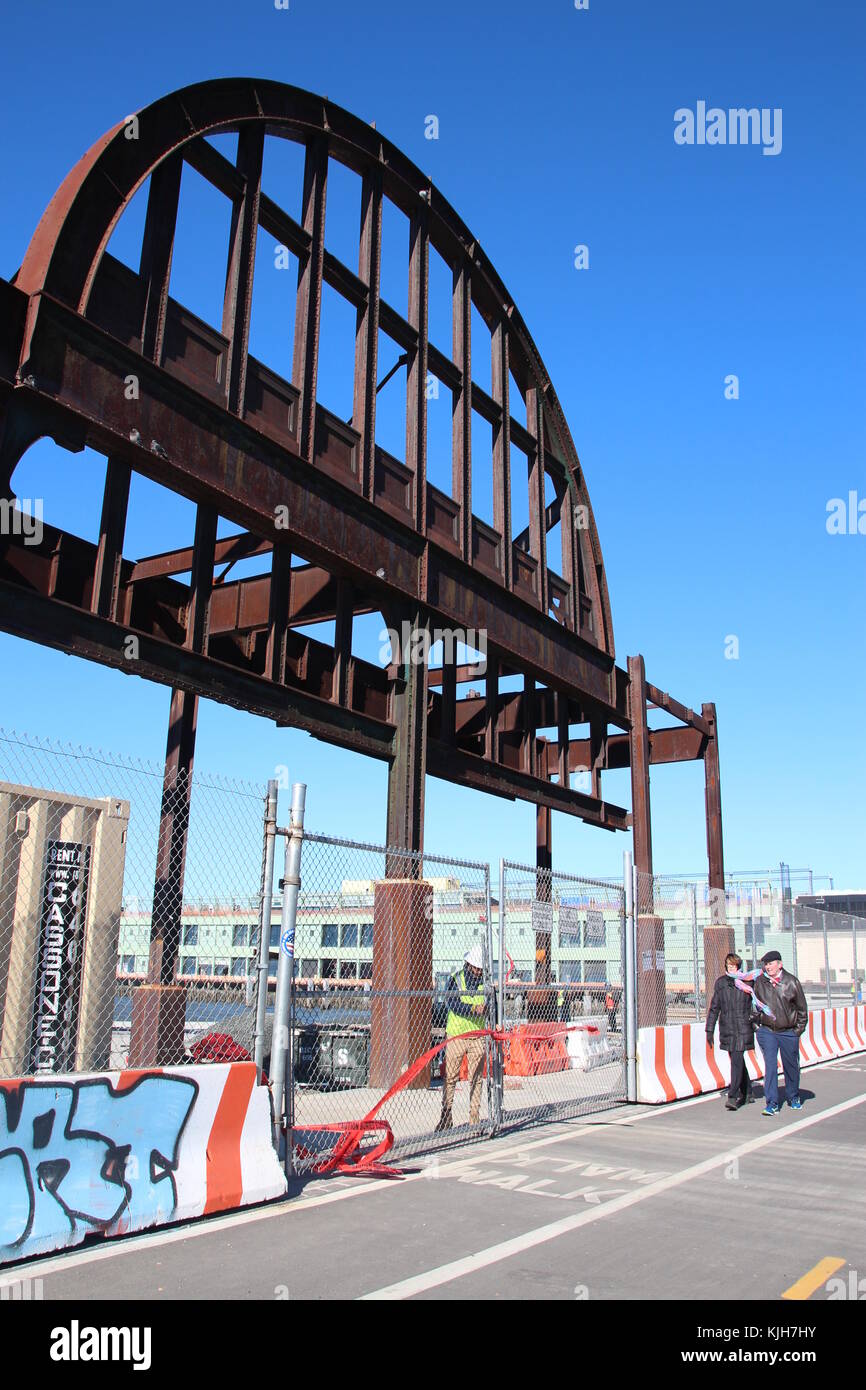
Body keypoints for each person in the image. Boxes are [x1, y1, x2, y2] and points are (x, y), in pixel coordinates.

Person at [435, 945, 487, 1131]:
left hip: (477, 1036)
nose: (478, 972)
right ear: (469, 964)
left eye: (481, 969)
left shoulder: (486, 982)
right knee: (450, 1077)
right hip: (457, 1035)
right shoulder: (456, 980)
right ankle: (446, 1115)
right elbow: (453, 1004)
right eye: (476, 968)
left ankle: (474, 1118)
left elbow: (492, 1004)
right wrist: (473, 1009)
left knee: (476, 1078)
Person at [752, 949, 808, 1115]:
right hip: (767, 1031)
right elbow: (754, 1005)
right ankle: (772, 1103)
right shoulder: (760, 982)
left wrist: (797, 1031)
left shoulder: (791, 982)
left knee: (791, 1066)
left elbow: (802, 1010)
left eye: (770, 963)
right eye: (766, 964)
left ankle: (793, 1096)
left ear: (779, 964)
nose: (767, 967)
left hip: (788, 1031)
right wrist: (757, 1027)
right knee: (770, 1067)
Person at [705, 953, 756, 1110]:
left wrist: (756, 1019)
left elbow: (758, 1003)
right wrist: (709, 1029)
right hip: (727, 1027)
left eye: (733, 965)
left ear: (739, 966)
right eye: (728, 965)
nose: (731, 968)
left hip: (742, 1027)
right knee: (737, 1061)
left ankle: (733, 1096)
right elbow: (715, 1007)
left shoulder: (748, 982)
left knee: (736, 1060)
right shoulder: (721, 983)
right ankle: (748, 1092)